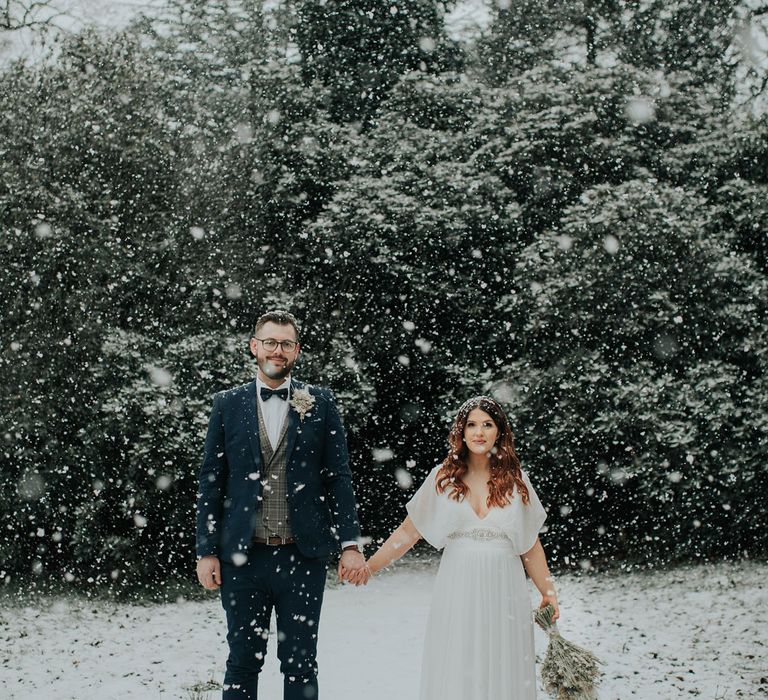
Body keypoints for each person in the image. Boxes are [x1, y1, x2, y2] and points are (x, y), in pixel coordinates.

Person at [195, 310, 367, 700]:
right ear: (254, 347)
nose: (278, 350)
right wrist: (206, 550)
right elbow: (211, 482)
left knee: (301, 662)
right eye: (270, 342)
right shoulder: (227, 404)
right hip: (242, 559)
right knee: (242, 661)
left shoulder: (320, 402)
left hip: (303, 558)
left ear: (297, 351)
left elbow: (338, 478)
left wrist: (350, 545)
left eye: (286, 343)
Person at [349, 395, 558, 699]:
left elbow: (530, 545)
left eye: (487, 424)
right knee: (458, 660)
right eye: (471, 424)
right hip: (458, 585)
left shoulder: (516, 481)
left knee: (503, 661)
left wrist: (548, 593)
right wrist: (371, 566)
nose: (479, 432)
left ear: (499, 431)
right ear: (460, 431)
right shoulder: (442, 478)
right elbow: (409, 532)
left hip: (505, 588)